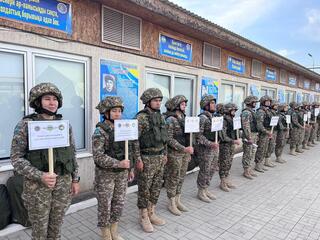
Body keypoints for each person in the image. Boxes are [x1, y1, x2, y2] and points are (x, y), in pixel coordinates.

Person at [10, 82, 80, 240]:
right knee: (40, 231)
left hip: (62, 184)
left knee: (56, 227)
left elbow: (72, 154)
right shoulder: (26, 125)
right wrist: (39, 175)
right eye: (47, 99)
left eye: (55, 99)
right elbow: (16, 158)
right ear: (37, 102)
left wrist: (75, 179)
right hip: (38, 187)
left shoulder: (64, 126)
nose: (52, 102)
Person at [92, 96, 136, 240]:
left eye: (119, 111)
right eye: (114, 111)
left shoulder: (123, 128)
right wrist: (118, 164)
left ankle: (114, 230)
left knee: (119, 202)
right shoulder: (100, 131)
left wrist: (130, 168)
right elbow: (98, 156)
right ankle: (105, 233)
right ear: (106, 113)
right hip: (106, 175)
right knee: (105, 204)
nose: (118, 114)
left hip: (122, 174)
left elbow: (128, 151)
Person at [135, 88, 168, 233]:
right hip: (146, 158)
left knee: (156, 187)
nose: (158, 103)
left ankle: (151, 212)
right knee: (144, 189)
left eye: (160, 100)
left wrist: (165, 153)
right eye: (155, 100)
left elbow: (164, 137)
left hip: (160, 157)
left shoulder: (160, 116)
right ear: (148, 102)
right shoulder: (141, 118)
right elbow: (134, 141)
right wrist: (138, 159)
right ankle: (143, 216)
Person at [163, 95, 193, 216]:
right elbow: (168, 139)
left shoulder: (184, 118)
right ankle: (171, 202)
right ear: (176, 105)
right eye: (182, 104)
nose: (185, 106)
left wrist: (189, 150)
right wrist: (183, 148)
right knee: (173, 178)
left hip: (185, 153)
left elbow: (189, 135)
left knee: (181, 177)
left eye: (185, 104)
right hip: (175, 153)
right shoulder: (170, 120)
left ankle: (177, 200)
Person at [194, 95, 219, 202]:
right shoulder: (202, 118)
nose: (214, 105)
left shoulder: (213, 117)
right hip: (205, 149)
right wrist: (210, 143)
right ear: (206, 105)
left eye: (214, 103)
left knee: (212, 169)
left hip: (214, 148)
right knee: (205, 170)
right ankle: (201, 191)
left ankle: (206, 188)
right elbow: (198, 135)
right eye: (212, 103)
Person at [219, 103, 241, 191]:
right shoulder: (224, 120)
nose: (234, 112)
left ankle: (227, 179)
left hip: (231, 144)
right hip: (225, 145)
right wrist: (233, 141)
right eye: (233, 110)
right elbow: (223, 136)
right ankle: (223, 182)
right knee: (224, 163)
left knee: (229, 162)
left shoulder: (233, 119)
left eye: (235, 110)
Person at [241, 95, 259, 179]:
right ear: (249, 102)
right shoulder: (246, 112)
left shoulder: (252, 111)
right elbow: (246, 126)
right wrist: (249, 137)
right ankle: (246, 171)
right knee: (248, 153)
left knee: (252, 152)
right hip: (249, 135)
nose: (255, 103)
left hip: (253, 134)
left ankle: (249, 169)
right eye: (254, 102)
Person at [254, 95, 273, 172]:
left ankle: (261, 163)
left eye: (269, 101)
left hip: (267, 132)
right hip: (263, 133)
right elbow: (259, 125)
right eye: (267, 101)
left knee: (265, 148)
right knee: (261, 149)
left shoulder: (267, 111)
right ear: (263, 102)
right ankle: (258, 164)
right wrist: (266, 131)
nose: (268, 103)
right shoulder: (261, 111)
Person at [264, 100, 280, 168]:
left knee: (272, 146)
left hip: (274, 130)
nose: (277, 107)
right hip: (269, 130)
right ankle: (266, 160)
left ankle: (268, 159)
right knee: (268, 146)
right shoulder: (269, 112)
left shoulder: (275, 112)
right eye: (275, 105)